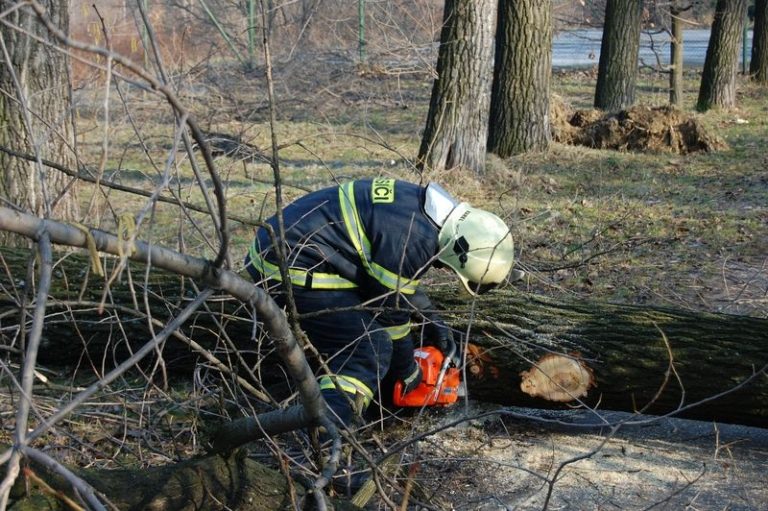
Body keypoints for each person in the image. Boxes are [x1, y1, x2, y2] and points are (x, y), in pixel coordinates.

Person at [244, 178, 514, 427]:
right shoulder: (413, 239)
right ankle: (328, 436)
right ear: (459, 251)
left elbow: (393, 283)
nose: (444, 270)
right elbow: (390, 311)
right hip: (286, 266)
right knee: (370, 347)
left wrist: (433, 319)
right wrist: (406, 369)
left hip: (295, 247)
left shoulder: (421, 213)